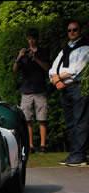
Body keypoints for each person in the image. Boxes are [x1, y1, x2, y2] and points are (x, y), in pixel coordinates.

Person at [49, 20, 89, 167]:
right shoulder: (64, 50)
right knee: (70, 122)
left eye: (75, 30)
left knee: (80, 121)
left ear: (80, 31)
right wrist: (55, 79)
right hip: (64, 89)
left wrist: (58, 78)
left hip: (77, 88)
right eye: (69, 30)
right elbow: (53, 68)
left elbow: (77, 69)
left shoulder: (85, 48)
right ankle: (74, 153)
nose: (71, 32)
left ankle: (80, 155)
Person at [13, 28, 50, 154]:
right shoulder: (23, 53)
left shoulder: (43, 51)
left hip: (40, 89)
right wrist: (19, 56)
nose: (31, 41)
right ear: (27, 39)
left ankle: (43, 145)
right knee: (27, 119)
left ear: (37, 39)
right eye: (29, 39)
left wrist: (36, 58)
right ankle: (30, 145)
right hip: (26, 90)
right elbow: (14, 70)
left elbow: (47, 68)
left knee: (42, 118)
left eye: (33, 38)